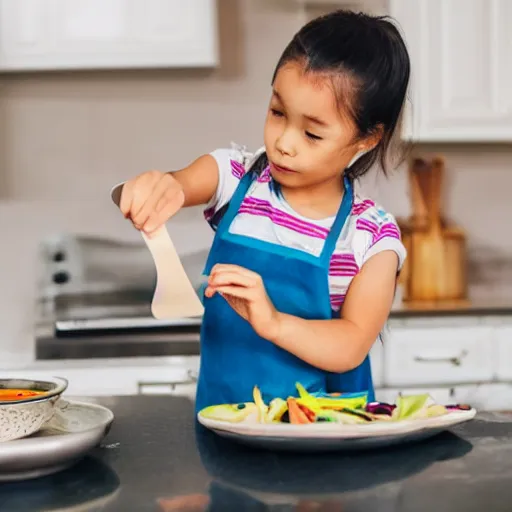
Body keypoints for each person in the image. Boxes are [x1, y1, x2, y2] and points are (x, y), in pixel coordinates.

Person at [117, 9, 410, 411]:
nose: (284, 143)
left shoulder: (370, 237)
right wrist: (159, 187)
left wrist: (272, 322)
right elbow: (181, 184)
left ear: (366, 139)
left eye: (311, 133)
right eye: (277, 113)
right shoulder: (237, 178)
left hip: (326, 450)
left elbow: (351, 346)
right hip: (224, 431)